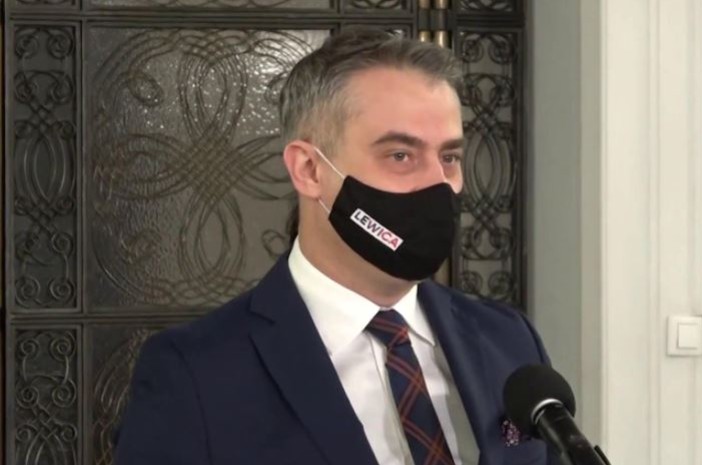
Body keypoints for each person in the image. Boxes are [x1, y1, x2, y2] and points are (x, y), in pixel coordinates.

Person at [115, 28, 558, 465]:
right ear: (309, 169)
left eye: (449, 157)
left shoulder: (508, 340)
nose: (437, 184)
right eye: (400, 155)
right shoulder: (196, 373)